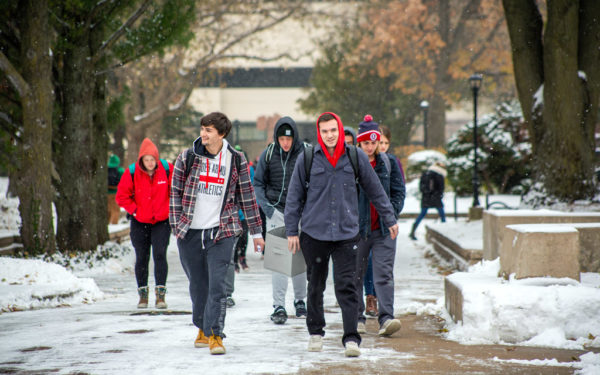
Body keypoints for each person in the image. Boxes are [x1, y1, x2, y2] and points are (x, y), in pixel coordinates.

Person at [284, 112, 399, 357]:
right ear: (319, 132)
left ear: (339, 130)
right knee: (315, 285)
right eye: (324, 131)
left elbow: (376, 190)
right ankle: (316, 332)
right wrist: (292, 231)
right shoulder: (307, 158)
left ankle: (351, 338)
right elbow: (294, 197)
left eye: (333, 130)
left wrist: (389, 218)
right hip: (314, 234)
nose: (329, 135)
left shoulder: (355, 156)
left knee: (347, 286)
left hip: (347, 233)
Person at [169, 111, 265, 355]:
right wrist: (177, 227)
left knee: (218, 287)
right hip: (190, 232)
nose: (203, 134)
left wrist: (256, 232)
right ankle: (202, 327)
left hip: (222, 232)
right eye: (202, 128)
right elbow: (174, 194)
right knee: (198, 285)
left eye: (209, 130)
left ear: (221, 134)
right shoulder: (187, 157)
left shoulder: (236, 159)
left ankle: (216, 334)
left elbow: (247, 196)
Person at [354, 115, 405, 336]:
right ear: (359, 143)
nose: (371, 146)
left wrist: (391, 214)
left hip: (384, 230)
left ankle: (386, 318)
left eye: (374, 142)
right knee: (355, 274)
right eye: (366, 142)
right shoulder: (352, 162)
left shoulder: (388, 162)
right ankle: (356, 318)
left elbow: (398, 192)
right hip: (357, 230)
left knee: (383, 274)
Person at [254, 116, 308, 325]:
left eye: (289, 139)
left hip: (300, 213)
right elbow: (258, 183)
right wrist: (267, 208)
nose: (285, 143)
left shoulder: (305, 153)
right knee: (278, 262)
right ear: (277, 138)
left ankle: (300, 301)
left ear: (294, 138)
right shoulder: (268, 154)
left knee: (299, 260)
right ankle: (278, 306)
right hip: (276, 212)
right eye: (281, 139)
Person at [115, 138, 172, 310]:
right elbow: (121, 196)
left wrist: (169, 209)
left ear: (157, 158)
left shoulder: (167, 170)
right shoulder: (131, 173)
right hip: (140, 221)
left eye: (152, 160)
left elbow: (177, 191)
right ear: (141, 160)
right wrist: (135, 211)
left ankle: (160, 295)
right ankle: (143, 295)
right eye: (146, 160)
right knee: (142, 257)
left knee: (160, 254)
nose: (149, 163)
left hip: (161, 221)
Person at [409, 162, 447, 240]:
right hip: (436, 198)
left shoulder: (425, 174)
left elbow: (421, 187)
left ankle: (412, 231)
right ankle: (445, 233)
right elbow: (441, 188)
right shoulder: (439, 175)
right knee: (442, 214)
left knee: (422, 214)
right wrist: (438, 195)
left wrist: (427, 194)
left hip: (426, 197)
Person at [107, 154, 124, 225]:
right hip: (116, 192)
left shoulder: (106, 169)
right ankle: (114, 225)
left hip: (106, 192)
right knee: (116, 210)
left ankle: (106, 225)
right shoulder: (120, 170)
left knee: (107, 210)